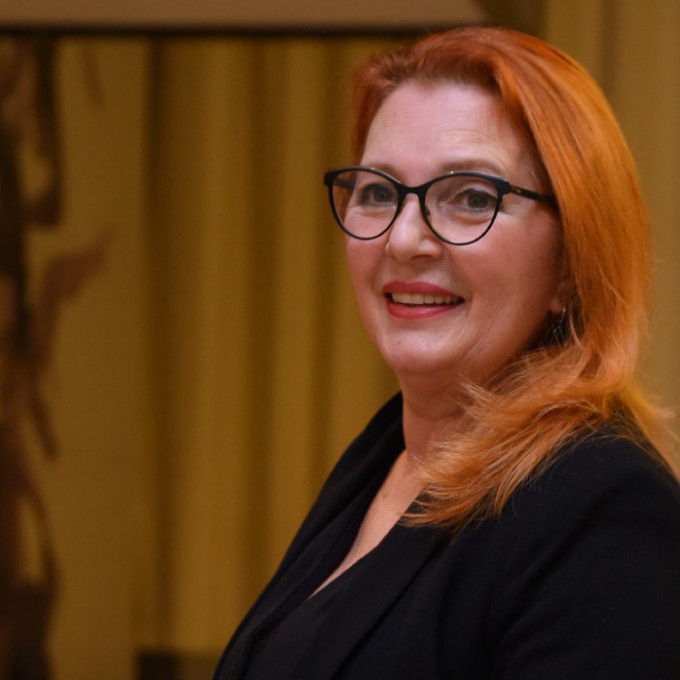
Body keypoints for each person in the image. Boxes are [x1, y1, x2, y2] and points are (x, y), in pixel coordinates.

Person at [213, 26, 680, 679]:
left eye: (470, 198)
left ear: (571, 265)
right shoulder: (385, 458)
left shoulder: (601, 505)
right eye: (378, 191)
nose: (404, 240)